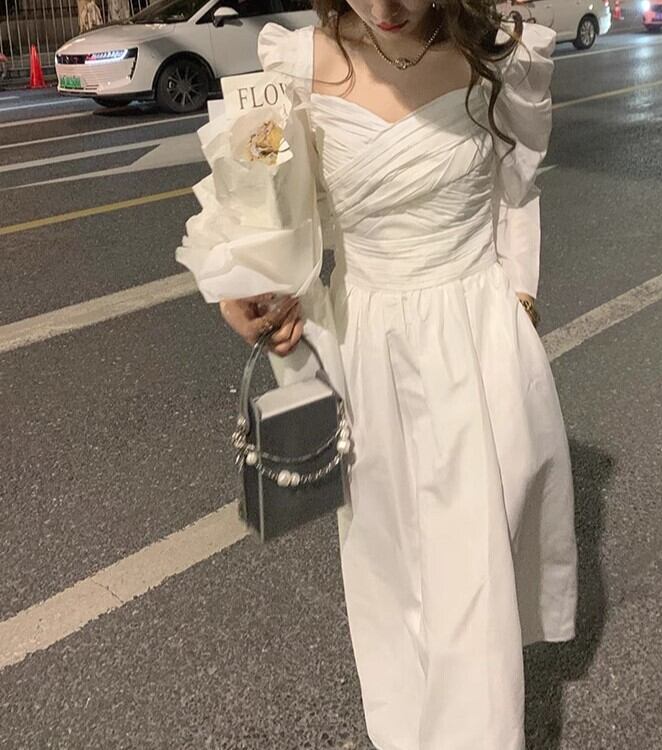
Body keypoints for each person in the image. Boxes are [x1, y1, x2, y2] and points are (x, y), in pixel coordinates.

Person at [217, 2, 578, 747]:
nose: (384, 8)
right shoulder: (291, 67)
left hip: (475, 349)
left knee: (473, 577)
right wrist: (248, 289)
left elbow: (516, 191)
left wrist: (519, 297)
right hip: (362, 347)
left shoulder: (500, 56)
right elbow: (262, 212)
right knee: (388, 571)